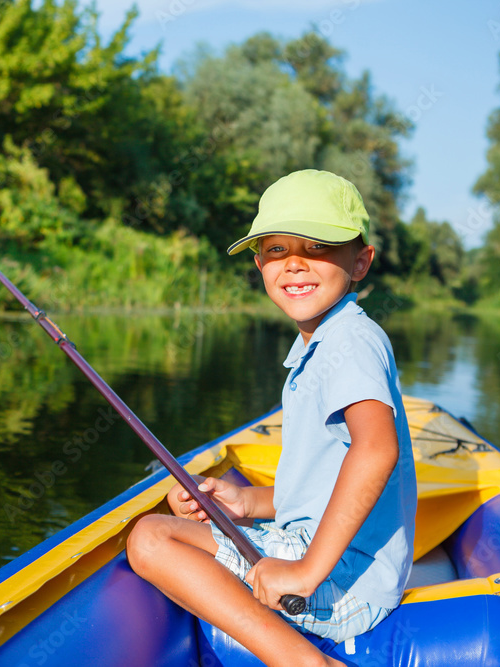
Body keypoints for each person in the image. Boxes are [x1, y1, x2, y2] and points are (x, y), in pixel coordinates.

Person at [126, 169, 417, 667]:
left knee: (151, 538)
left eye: (318, 247)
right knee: (167, 530)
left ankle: (305, 661)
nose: (296, 265)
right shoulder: (322, 342)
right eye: (277, 250)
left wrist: (304, 572)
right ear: (259, 263)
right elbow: (318, 487)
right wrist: (244, 501)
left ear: (361, 261)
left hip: (342, 581)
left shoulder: (348, 342)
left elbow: (377, 448)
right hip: (341, 567)